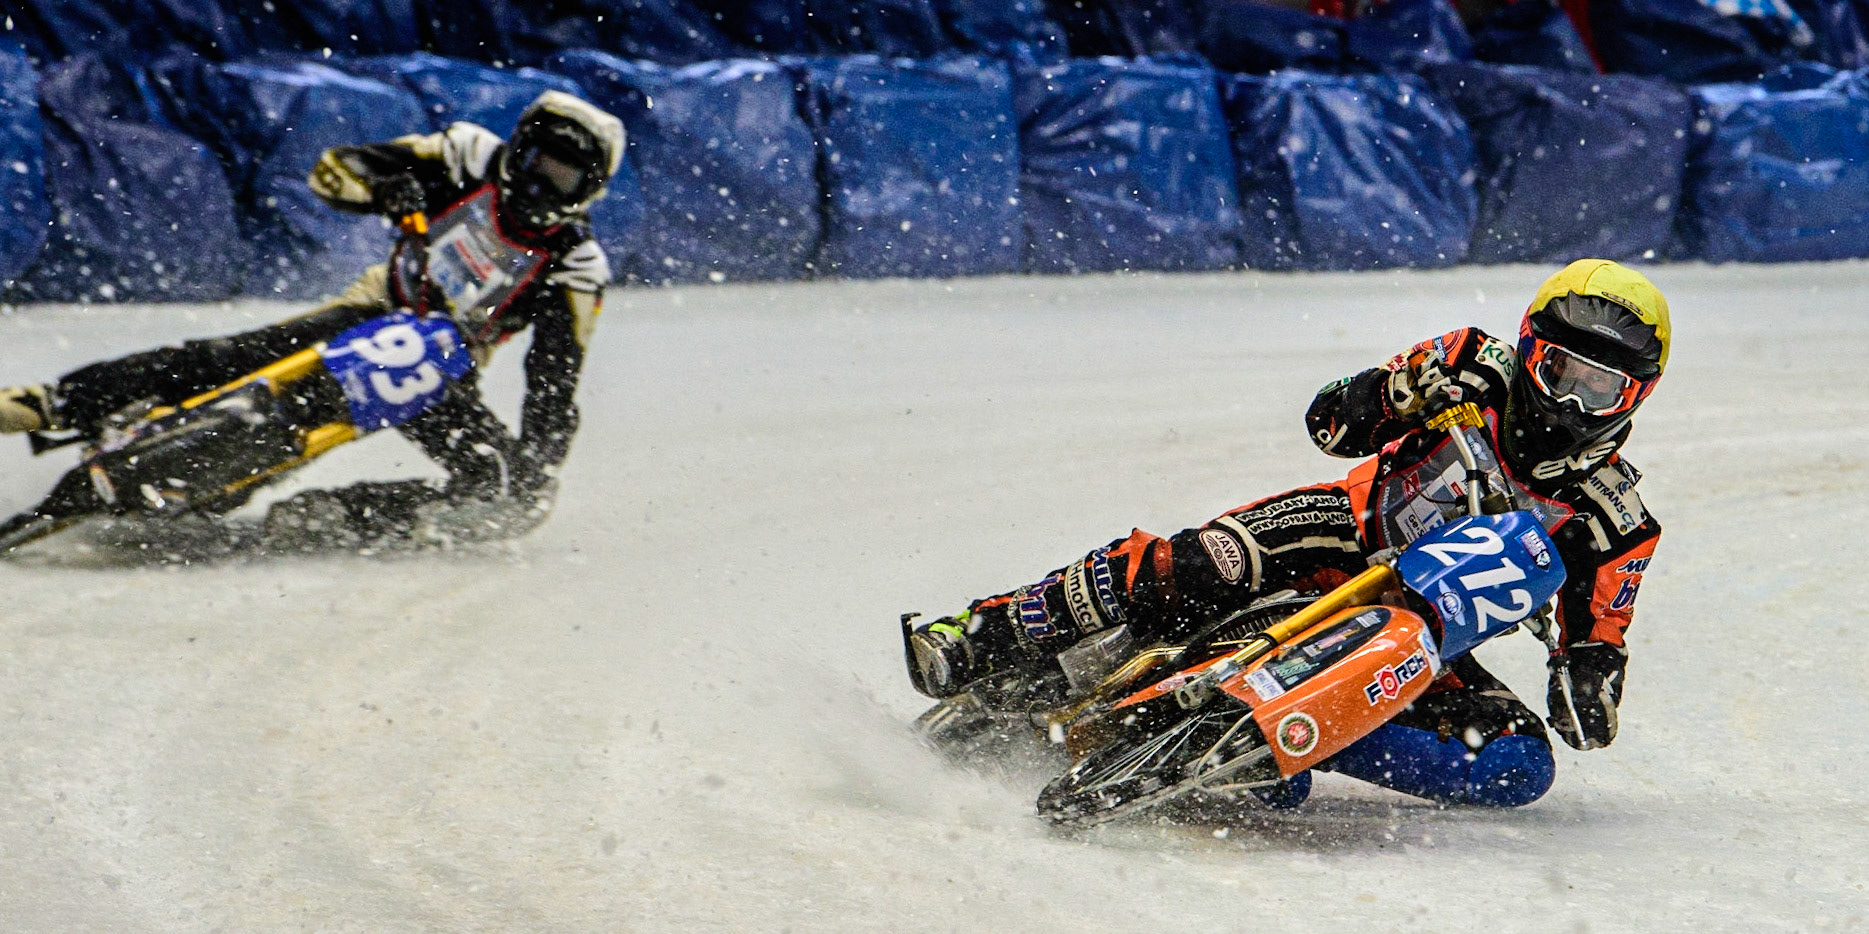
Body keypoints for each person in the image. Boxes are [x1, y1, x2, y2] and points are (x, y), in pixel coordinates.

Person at [906, 258, 1669, 809]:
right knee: (1203, 564)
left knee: (1514, 766)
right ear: (1528, 348)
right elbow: (1330, 423)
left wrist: (1590, 674)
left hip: (1417, 637)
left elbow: (1588, 683)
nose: (1569, 400)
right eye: (1557, 370)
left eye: (1599, 387)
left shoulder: (1613, 521)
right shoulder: (1474, 363)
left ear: (1633, 396)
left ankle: (1274, 738)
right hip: (1338, 534)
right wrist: (1400, 390)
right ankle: (986, 631)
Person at [0, 90, 624, 546]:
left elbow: (552, 383)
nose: (540, 188)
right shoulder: (465, 155)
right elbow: (336, 172)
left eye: (562, 180)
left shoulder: (576, 268)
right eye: (537, 164)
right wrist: (384, 187)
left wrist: (536, 470)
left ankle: (341, 515)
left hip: (438, 365)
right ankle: (55, 402)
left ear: (587, 193)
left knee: (513, 499)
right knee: (241, 355)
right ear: (516, 151)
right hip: (380, 303)